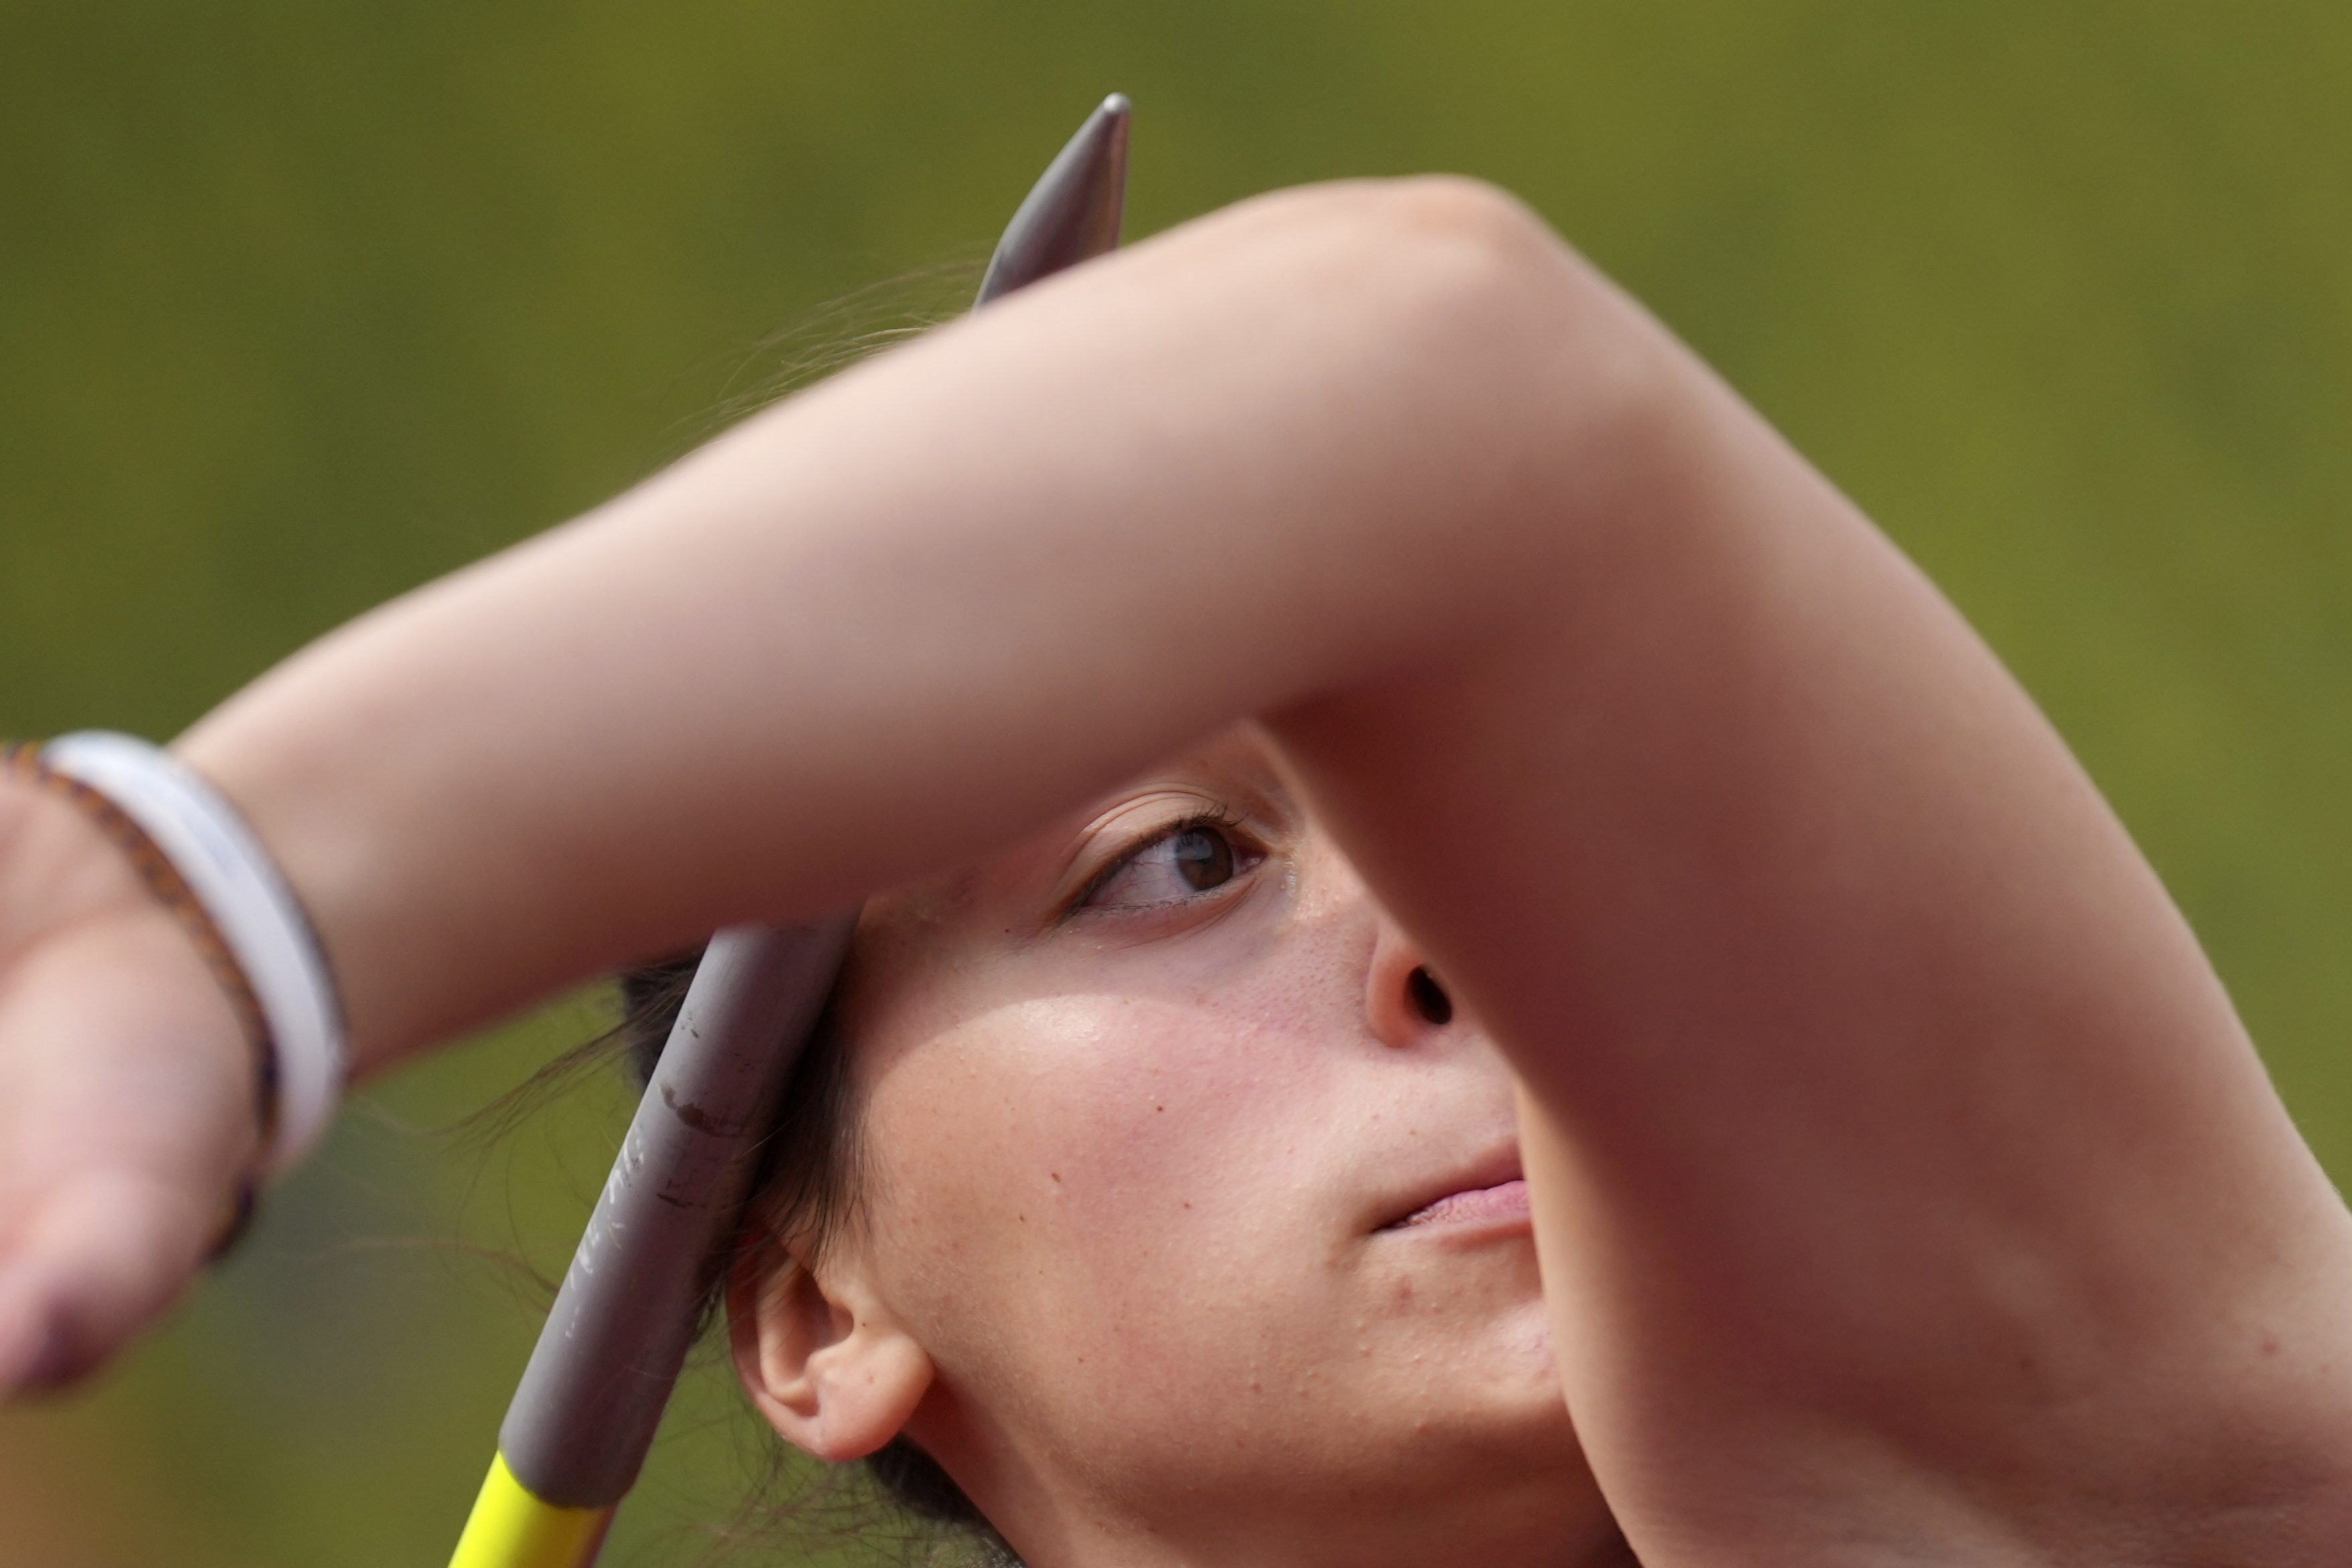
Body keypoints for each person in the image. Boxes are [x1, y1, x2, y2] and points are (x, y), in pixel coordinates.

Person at [3, 174, 2350, 1567]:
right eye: (1180, 861)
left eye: (1497, 845)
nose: (1460, 945)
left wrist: (223, 890)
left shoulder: (2097, 1478)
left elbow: (1454, 387)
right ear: (811, 1313)